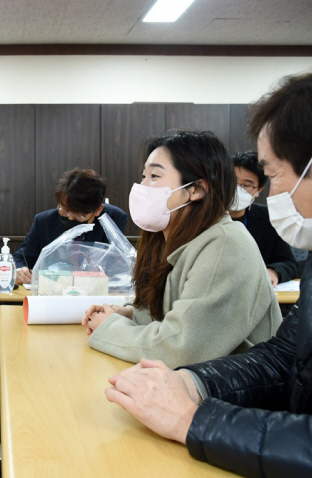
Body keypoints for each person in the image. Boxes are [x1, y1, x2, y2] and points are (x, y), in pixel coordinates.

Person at [104, 67, 312, 478]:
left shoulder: (228, 243)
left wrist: (195, 420)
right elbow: (283, 358)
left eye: (271, 176)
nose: (267, 196)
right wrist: (193, 385)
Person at [82, 131, 281, 367]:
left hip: (236, 390)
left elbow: (182, 348)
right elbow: (169, 316)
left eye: (155, 176)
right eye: (143, 176)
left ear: (196, 189)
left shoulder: (225, 244)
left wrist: (110, 328)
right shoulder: (169, 237)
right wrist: (130, 315)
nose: (142, 186)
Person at [14, 168, 128, 284]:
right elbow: (21, 258)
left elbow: (113, 264)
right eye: (65, 209)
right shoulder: (44, 222)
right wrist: (20, 271)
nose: (70, 217)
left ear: (98, 210)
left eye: (79, 214)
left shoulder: (112, 219)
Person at [229, 150, 298, 286]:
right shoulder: (203, 217)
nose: (237, 189)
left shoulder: (269, 218)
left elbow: (288, 263)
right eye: (232, 182)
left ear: (258, 190)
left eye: (247, 185)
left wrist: (273, 271)